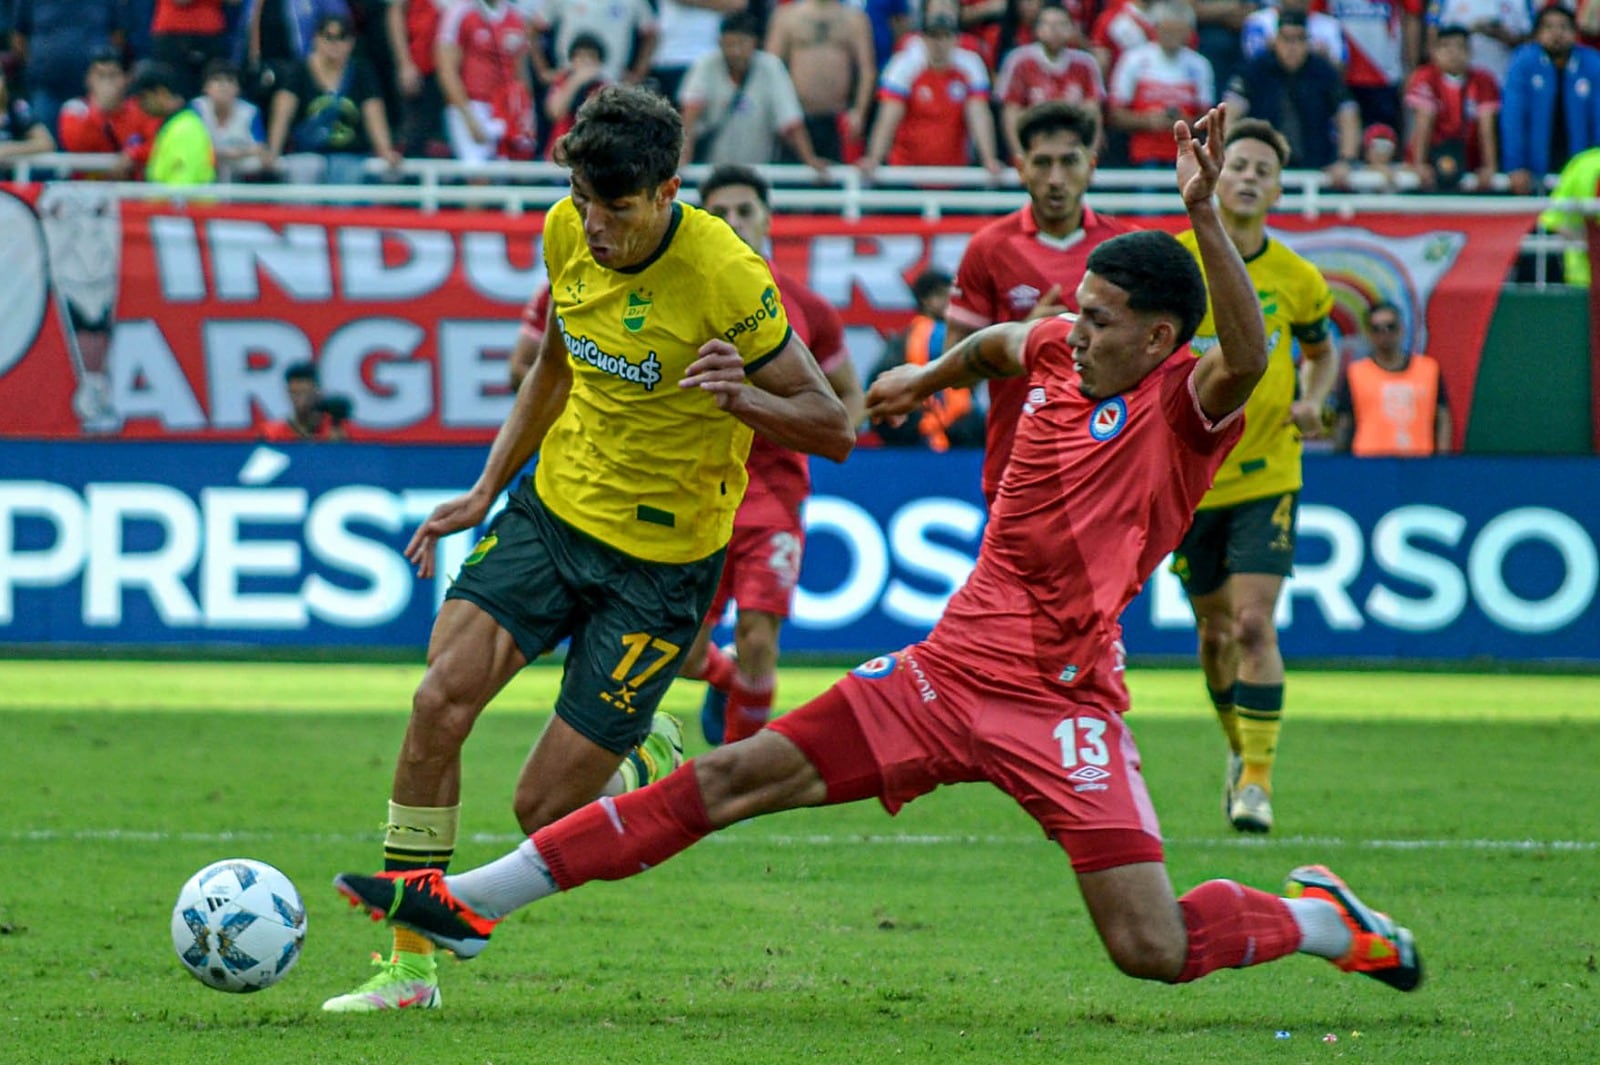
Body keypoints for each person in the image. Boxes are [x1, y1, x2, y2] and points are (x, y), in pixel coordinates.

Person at [332, 105, 1425, 1009]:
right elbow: (1005, 342)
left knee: (1149, 947)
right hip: (941, 678)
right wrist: (926, 379)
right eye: (1078, 311)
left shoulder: (1186, 407)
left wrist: (1198, 212)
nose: (1074, 330)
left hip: (1063, 707)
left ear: (1155, 342)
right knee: (727, 777)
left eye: (1100, 323)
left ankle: (1323, 923)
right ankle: (465, 904)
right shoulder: (1051, 344)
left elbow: (1241, 350)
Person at [319, 83, 855, 1014]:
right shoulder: (565, 231)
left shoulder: (728, 276)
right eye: (581, 198)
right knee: (437, 701)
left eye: (616, 205)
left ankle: (645, 755)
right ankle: (407, 965)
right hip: (550, 513)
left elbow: (833, 422)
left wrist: (746, 401)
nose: (594, 223)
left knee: (542, 811)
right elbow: (556, 369)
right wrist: (486, 489)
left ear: (666, 191)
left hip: (661, 566)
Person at [1170, 118, 1338, 836]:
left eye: (1261, 169)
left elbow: (1322, 351)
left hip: (1269, 470)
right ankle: (1241, 753)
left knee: (1251, 623)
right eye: (1237, 163)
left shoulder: (1298, 278)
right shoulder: (1174, 263)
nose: (1246, 176)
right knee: (1213, 636)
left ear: (1275, 188)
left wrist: (1316, 397)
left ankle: (1260, 785)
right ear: (1217, 168)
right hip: (1187, 480)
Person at [680, 164, 866, 747]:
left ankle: (734, 772)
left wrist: (829, 434)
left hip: (773, 495)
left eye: (745, 211)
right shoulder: (678, 297)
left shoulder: (806, 307)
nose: (733, 222)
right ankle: (729, 678)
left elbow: (849, 393)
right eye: (720, 212)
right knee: (681, 654)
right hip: (696, 491)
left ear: (767, 219)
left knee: (761, 635)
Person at [942, 99, 1130, 505]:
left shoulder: (1125, 248)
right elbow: (955, 374)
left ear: (1091, 166)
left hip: (1106, 467)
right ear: (1020, 166)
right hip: (1017, 468)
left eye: (1070, 161)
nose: (1056, 178)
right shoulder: (989, 248)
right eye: (1042, 163)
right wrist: (1024, 337)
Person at [858, 4, 1004, 180]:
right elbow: (888, 117)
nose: (939, 44)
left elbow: (979, 115)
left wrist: (989, 159)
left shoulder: (970, 65)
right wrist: (874, 158)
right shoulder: (904, 65)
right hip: (907, 170)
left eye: (944, 36)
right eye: (933, 36)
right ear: (923, 39)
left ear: (956, 39)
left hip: (954, 171)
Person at [678, 12, 827, 173]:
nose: (735, 51)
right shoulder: (706, 65)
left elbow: (790, 122)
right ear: (720, 43)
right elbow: (690, 114)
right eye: (729, 45)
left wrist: (808, 158)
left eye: (741, 44)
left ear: (755, 43)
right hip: (713, 168)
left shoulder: (771, 68)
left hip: (760, 168)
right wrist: (683, 156)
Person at [264, 13, 401, 184]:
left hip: (351, 155)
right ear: (316, 39)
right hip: (306, 153)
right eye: (328, 37)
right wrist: (273, 150)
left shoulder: (361, 72)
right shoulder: (299, 71)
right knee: (305, 169)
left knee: (347, 171)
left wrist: (385, 151)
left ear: (351, 42)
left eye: (342, 37)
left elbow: (373, 112)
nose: (335, 43)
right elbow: (283, 112)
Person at [1224, 9, 1362, 178]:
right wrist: (1231, 154)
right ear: (1275, 40)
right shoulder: (1255, 70)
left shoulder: (1323, 72)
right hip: (1262, 166)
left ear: (1308, 41)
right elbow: (1230, 114)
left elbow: (1347, 113)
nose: (1292, 47)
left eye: (1299, 39)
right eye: (1287, 39)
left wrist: (1346, 160)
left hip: (1316, 166)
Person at [870, 268, 986, 450]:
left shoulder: (903, 339)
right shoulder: (925, 336)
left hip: (943, 432)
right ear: (926, 299)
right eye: (942, 296)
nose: (949, 303)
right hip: (932, 432)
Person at [1500, 5, 1600, 194]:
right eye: (1549, 27)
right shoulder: (1523, 63)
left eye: (1563, 27)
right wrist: (1515, 165)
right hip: (1534, 172)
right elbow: (1513, 119)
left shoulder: (1593, 64)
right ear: (1537, 33)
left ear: (1574, 32)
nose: (1557, 34)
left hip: (1583, 169)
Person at [764, 0, 877, 163]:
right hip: (798, 120)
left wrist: (859, 112)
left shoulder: (855, 19)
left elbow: (867, 70)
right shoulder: (786, 16)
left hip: (837, 121)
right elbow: (772, 68)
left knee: (838, 181)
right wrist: (782, 115)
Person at [1334, 302, 1452, 456]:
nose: (1385, 334)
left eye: (1391, 327)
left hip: (1420, 464)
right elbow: (1344, 422)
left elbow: (1442, 416)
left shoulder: (1429, 370)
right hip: (1369, 463)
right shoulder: (1356, 373)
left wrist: (1442, 460)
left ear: (1402, 328)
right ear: (1369, 333)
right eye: (1377, 329)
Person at [1108, 1, 1215, 168]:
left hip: (1186, 154)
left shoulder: (1199, 66)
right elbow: (1115, 114)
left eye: (1178, 31)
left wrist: (1184, 122)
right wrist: (1147, 121)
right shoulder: (1133, 60)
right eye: (1167, 30)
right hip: (1143, 154)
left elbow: (1206, 116)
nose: (1172, 36)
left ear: (1189, 33)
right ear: (1155, 28)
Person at [995, 3, 1105, 166]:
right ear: (1037, 29)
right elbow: (1010, 113)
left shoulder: (1085, 64)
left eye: (1061, 24)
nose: (1055, 30)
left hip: (1071, 154)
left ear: (1071, 28)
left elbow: (1093, 114)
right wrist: (1020, 156)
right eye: (1048, 24)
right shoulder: (1020, 61)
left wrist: (1089, 156)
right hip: (1033, 150)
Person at [1402, 24, 1501, 192]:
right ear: (1434, 52)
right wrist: (1420, 164)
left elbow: (1486, 127)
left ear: (1470, 53)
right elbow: (1423, 122)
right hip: (1431, 157)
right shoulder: (1424, 77)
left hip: (1469, 160)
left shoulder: (1484, 81)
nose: (1453, 53)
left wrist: (1489, 167)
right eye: (1446, 47)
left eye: (1460, 47)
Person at [435, 0, 535, 164]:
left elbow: (521, 74)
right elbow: (447, 69)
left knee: (507, 173)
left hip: (506, 107)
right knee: (478, 172)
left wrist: (524, 115)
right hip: (473, 103)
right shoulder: (460, 13)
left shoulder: (516, 18)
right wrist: (468, 117)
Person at [57, 49, 163, 178]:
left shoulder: (142, 109)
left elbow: (159, 143)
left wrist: (134, 154)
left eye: (113, 75)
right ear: (88, 79)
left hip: (129, 190)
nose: (106, 82)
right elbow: (76, 144)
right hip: (85, 189)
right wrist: (99, 110)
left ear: (126, 79)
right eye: (100, 75)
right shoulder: (75, 109)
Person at [130, 60, 218, 185]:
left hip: (183, 204)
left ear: (161, 93)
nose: (140, 104)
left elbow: (181, 191)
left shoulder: (185, 130)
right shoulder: (174, 127)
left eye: (144, 97)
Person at [192, 59, 269, 182]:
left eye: (230, 81)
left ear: (238, 89)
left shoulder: (250, 112)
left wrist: (234, 154)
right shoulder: (196, 108)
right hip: (205, 165)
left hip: (240, 166)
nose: (224, 86)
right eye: (217, 80)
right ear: (206, 87)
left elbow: (259, 148)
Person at [259, 361, 353, 442]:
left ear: (318, 392)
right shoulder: (271, 434)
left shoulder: (336, 430)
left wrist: (339, 447)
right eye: (295, 393)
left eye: (305, 393)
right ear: (287, 393)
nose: (300, 400)